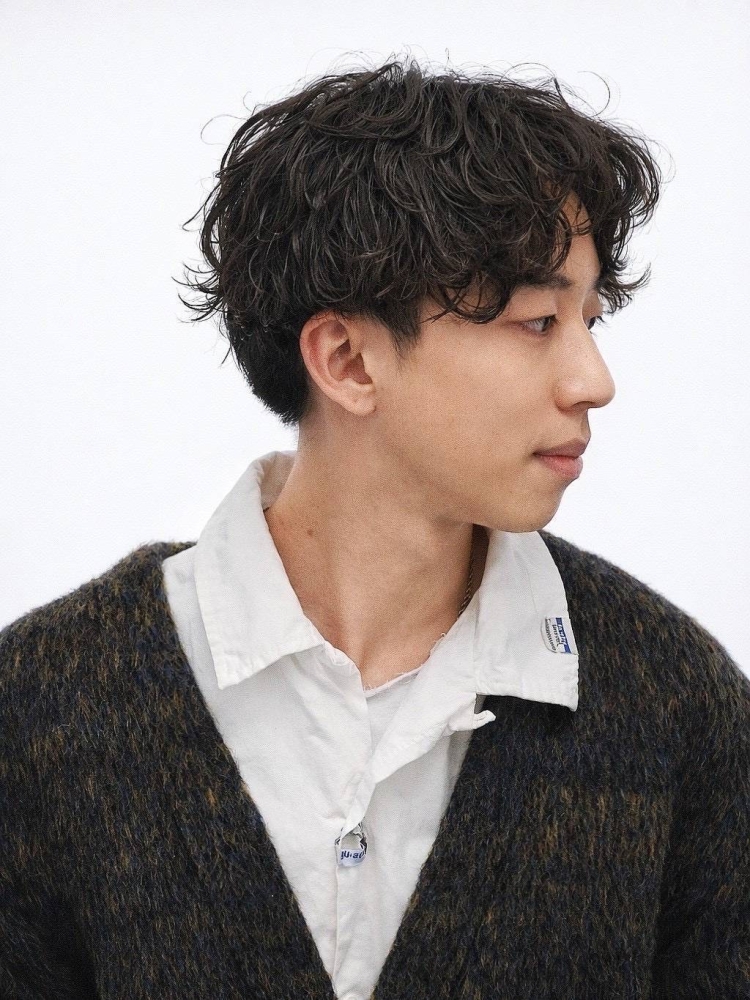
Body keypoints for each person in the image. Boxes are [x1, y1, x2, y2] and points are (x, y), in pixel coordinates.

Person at [1, 57, 747, 1000]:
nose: (593, 381)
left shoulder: (677, 704)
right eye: (536, 322)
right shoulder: (44, 704)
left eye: (590, 318)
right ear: (348, 360)